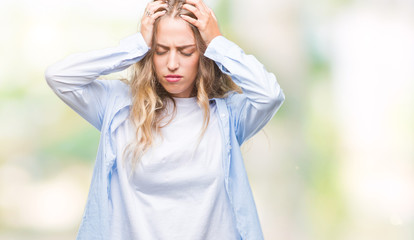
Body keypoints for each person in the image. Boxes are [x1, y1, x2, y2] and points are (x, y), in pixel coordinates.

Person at [45, 0, 284, 239]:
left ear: (203, 55)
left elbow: (270, 95)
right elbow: (59, 76)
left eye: (186, 51)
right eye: (160, 51)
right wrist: (134, 46)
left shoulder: (229, 114)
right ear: (150, 52)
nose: (172, 64)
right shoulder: (118, 105)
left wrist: (217, 43)